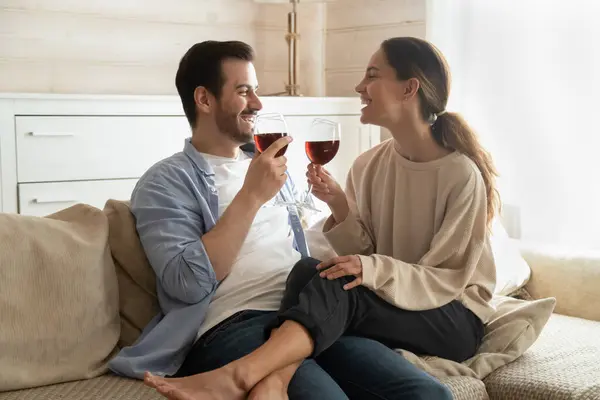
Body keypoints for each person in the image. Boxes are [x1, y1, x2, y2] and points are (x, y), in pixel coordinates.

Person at [143, 36, 499, 400]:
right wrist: (252, 196)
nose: (259, 103)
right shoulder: (167, 181)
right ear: (204, 99)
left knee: (427, 395)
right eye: (244, 91)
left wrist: (334, 217)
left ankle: (258, 374)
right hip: (237, 322)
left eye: (256, 90)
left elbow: (334, 255)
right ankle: (242, 375)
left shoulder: (270, 168)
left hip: (312, 312)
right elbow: (185, 283)